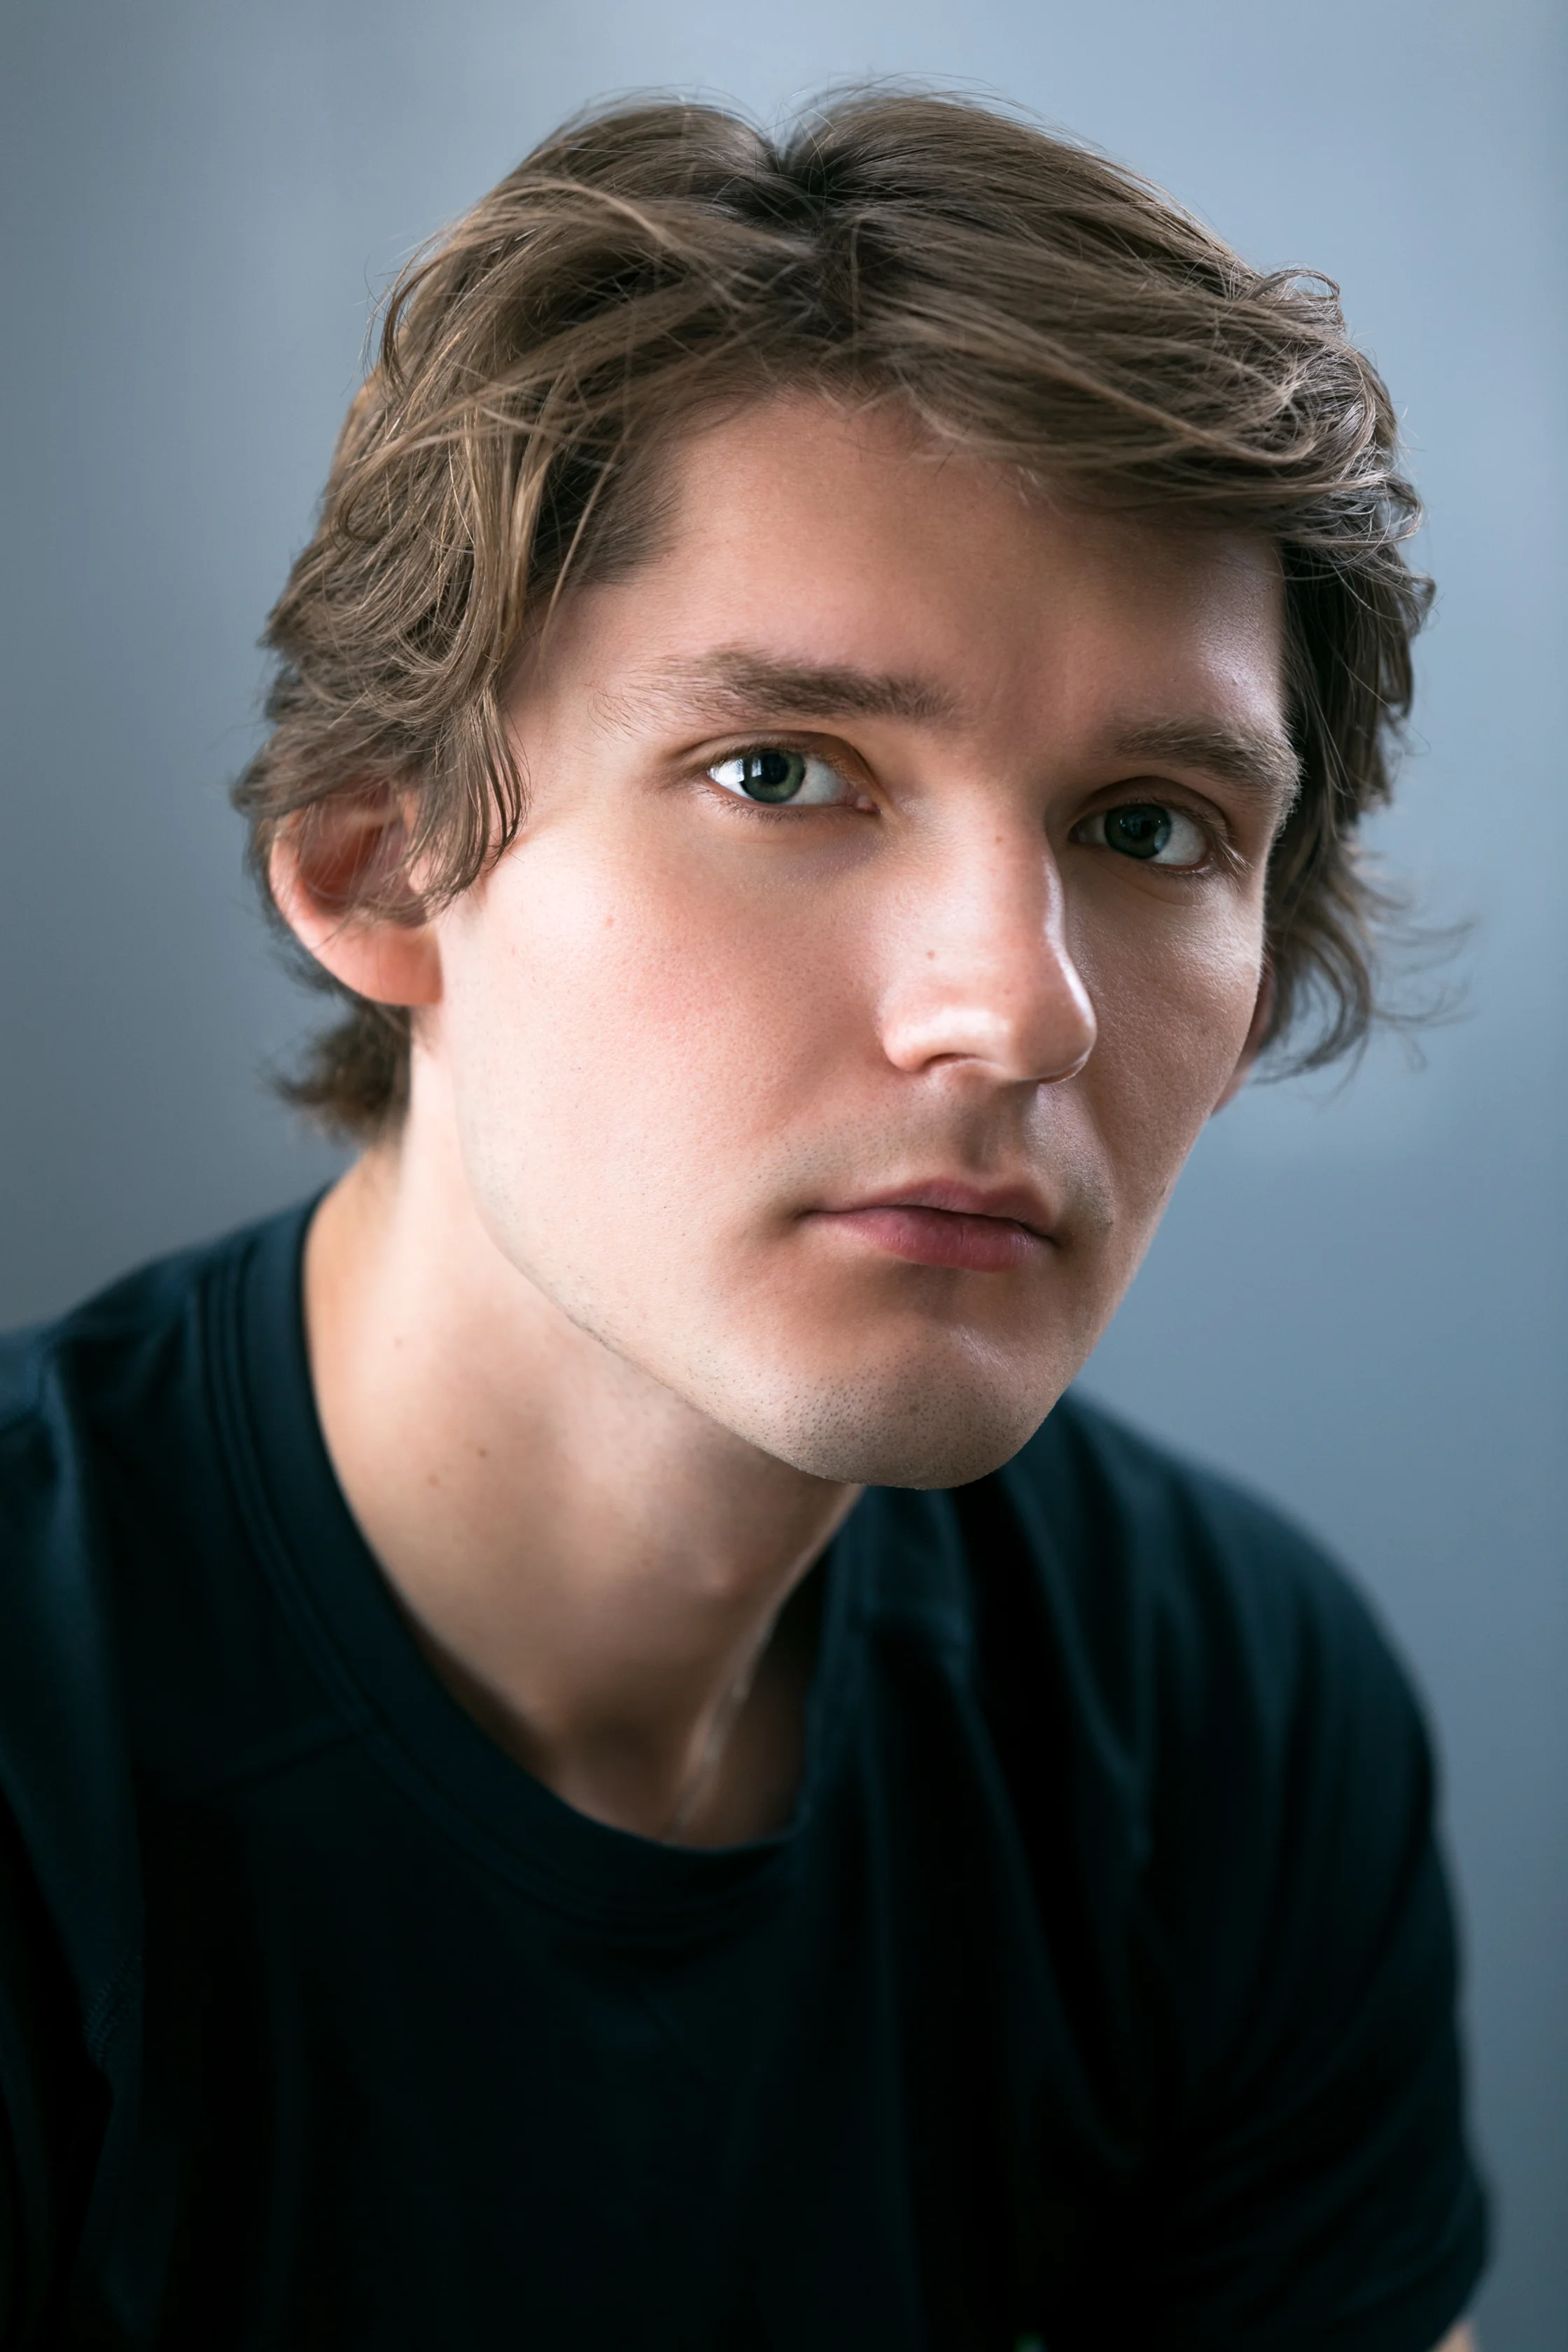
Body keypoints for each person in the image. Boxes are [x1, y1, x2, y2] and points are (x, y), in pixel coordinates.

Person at [0, 90, 1485, 2351]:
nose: (1018, 1008)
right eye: (782, 773)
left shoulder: (1223, 1720)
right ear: (382, 866)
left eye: (1150, 826)